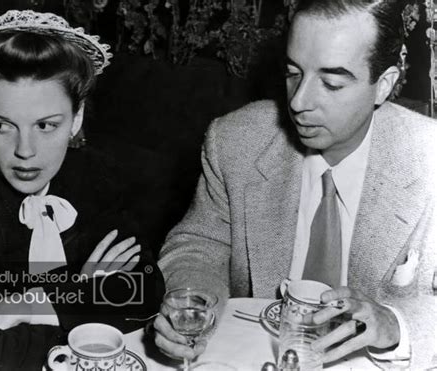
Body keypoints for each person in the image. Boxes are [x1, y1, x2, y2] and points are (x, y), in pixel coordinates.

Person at [154, 0, 436, 369]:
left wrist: (396, 324)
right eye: (293, 73)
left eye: (331, 83)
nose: (299, 102)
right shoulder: (235, 141)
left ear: (383, 85)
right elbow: (199, 245)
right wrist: (194, 301)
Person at [0, 10, 164, 370]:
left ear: (77, 119)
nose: (25, 150)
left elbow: (145, 294)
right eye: (2, 126)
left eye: (46, 125)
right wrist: (81, 291)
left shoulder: (96, 179)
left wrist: (28, 303)